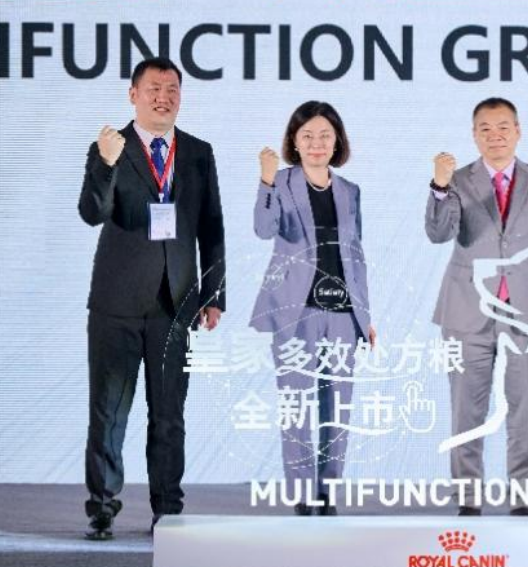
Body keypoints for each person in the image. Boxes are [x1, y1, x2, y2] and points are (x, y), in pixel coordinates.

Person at [79, 57, 225, 540]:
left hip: (176, 303)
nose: (164, 97)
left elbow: (212, 227)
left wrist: (214, 295)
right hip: (116, 303)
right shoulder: (111, 147)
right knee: (108, 410)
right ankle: (102, 507)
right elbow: (92, 213)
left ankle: (168, 508)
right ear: (133, 95)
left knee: (169, 415)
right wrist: (104, 163)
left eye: (172, 89)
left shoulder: (199, 152)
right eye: (154, 89)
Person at [426, 97, 528, 516]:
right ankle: (468, 499)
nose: (495, 136)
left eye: (503, 127)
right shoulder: (456, 180)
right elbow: (439, 233)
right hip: (466, 311)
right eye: (485, 129)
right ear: (474, 135)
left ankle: (522, 498)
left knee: (525, 410)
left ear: (518, 131)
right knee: (466, 411)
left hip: (527, 313)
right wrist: (438, 187)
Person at [249, 101, 374, 516]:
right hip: (295, 311)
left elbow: (356, 256)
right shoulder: (281, 181)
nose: (316, 143)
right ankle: (303, 493)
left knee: (337, 407)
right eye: (307, 136)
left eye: (325, 135)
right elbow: (263, 229)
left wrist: (366, 317)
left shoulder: (350, 191)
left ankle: (328, 491)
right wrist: (266, 181)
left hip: (342, 314)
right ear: (295, 142)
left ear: (337, 141)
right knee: (297, 405)